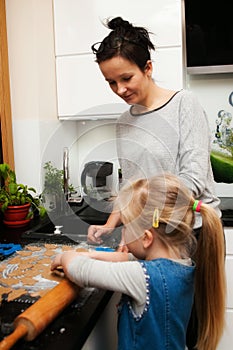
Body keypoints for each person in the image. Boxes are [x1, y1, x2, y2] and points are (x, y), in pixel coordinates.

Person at [87, 17, 222, 348]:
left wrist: (140, 228)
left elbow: (192, 180)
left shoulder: (183, 105)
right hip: (149, 238)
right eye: (110, 82)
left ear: (148, 67)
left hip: (185, 236)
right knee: (151, 332)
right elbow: (130, 185)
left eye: (126, 77)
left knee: (182, 332)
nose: (120, 89)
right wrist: (112, 225)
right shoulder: (123, 122)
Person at [51, 173, 226, 350]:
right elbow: (126, 258)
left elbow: (80, 271)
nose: (123, 232)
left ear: (146, 238)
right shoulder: (182, 264)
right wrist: (89, 255)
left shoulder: (143, 278)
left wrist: (64, 257)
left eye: (126, 226)